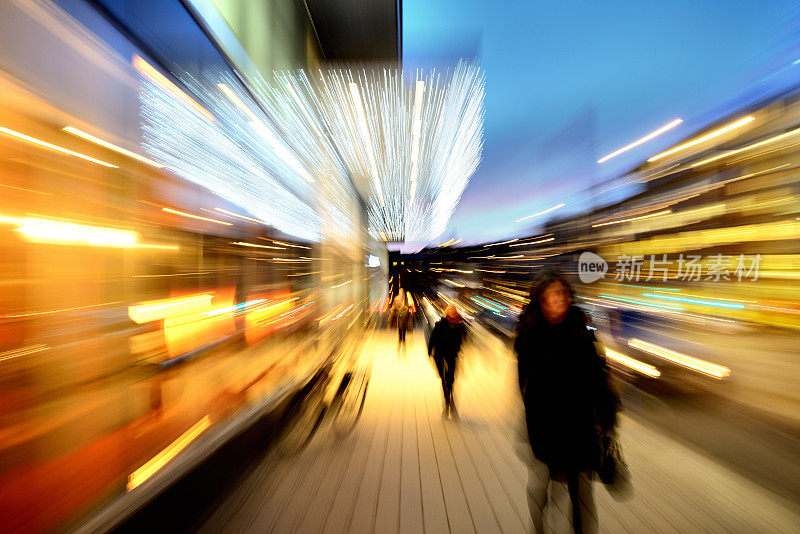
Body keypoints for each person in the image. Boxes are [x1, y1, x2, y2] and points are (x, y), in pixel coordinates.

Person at [514, 270, 618, 534]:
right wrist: (534, 429)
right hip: (544, 424)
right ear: (541, 299)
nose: (561, 299)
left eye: (564, 293)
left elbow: (598, 373)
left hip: (581, 423)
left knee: (582, 492)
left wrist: (607, 417)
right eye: (554, 294)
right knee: (541, 483)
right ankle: (538, 524)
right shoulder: (530, 333)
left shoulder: (581, 326)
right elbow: (524, 384)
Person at [427, 304, 467, 419]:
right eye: (451, 310)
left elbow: (464, 339)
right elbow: (433, 338)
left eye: (455, 310)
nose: (453, 312)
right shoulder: (440, 324)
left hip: (452, 355)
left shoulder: (460, 325)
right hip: (439, 354)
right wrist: (429, 352)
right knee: (443, 380)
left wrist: (461, 347)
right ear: (447, 312)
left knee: (450, 380)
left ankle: (449, 403)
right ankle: (448, 404)